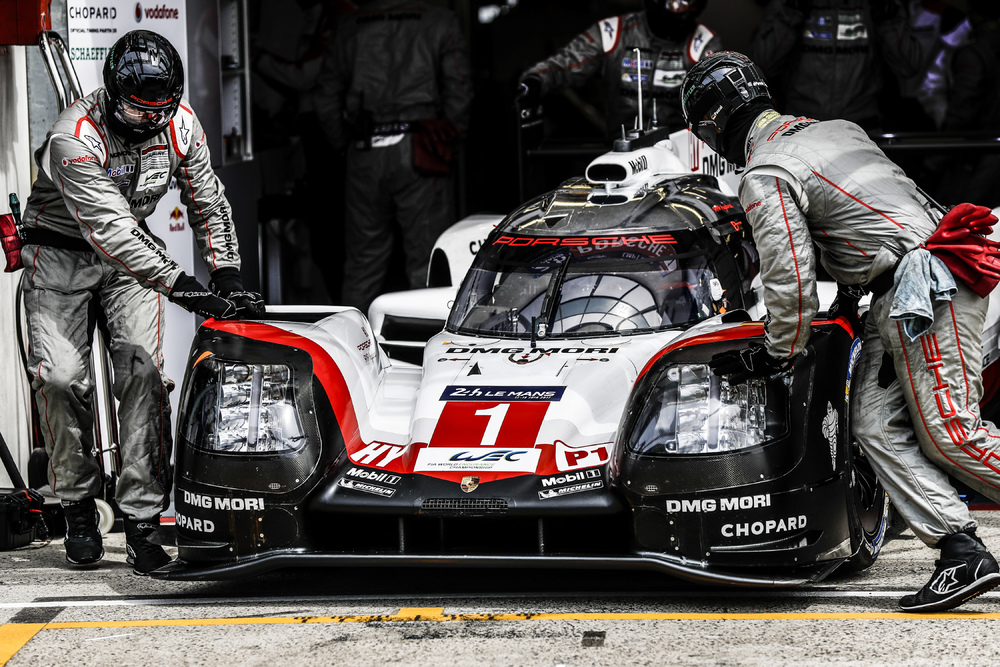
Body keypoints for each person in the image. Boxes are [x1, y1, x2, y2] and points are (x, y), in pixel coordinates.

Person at [680, 51, 1000, 612]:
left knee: (952, 433)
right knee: (874, 425)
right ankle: (961, 550)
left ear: (713, 124)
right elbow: (875, 216)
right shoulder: (837, 129)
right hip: (912, 288)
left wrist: (777, 351)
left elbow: (790, 278)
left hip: (925, 290)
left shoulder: (765, 171)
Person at [20, 30, 263, 574]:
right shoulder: (74, 137)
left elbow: (209, 200)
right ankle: (77, 509)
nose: (149, 119)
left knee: (143, 377)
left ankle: (143, 520)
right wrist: (184, 287)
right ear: (112, 95)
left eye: (160, 108)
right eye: (137, 108)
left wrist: (226, 274)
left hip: (131, 266)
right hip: (59, 257)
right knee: (59, 380)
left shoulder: (181, 125)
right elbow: (113, 231)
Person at [313, 0, 472, 314]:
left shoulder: (348, 25)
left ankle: (350, 336)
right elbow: (461, 91)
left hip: (366, 150)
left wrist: (344, 145)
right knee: (428, 259)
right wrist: (448, 144)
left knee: (362, 262)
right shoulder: (440, 19)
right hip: (420, 149)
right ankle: (427, 337)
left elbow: (326, 97)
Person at [518, 0, 722, 137]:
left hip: (681, 153)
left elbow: (717, 91)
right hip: (621, 148)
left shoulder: (704, 41)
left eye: (691, 4)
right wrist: (535, 81)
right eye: (676, 4)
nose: (684, 11)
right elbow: (563, 64)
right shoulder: (612, 32)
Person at [749, 0, 926, 128]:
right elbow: (762, 66)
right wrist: (792, 12)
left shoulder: (877, 5)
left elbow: (910, 66)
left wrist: (887, 18)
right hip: (801, 123)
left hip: (862, 124)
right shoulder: (787, 4)